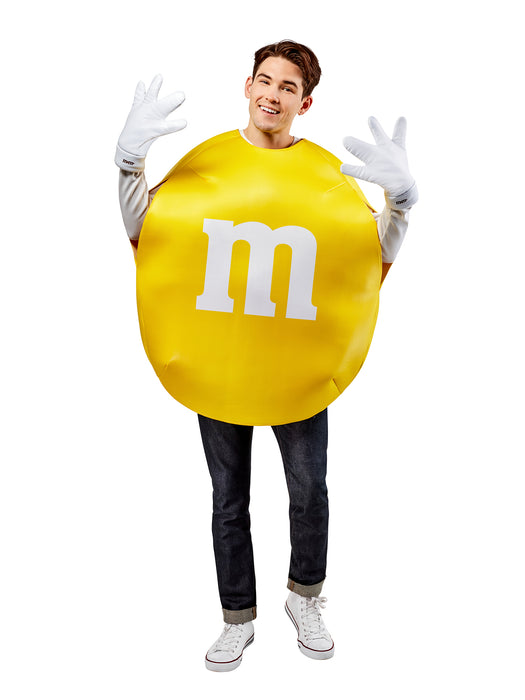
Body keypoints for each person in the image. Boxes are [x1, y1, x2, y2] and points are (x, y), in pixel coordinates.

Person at [115, 40, 418, 672]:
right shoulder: (209, 163)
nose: (272, 95)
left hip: (296, 367)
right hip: (219, 361)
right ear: (247, 85)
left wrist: (401, 206)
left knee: (309, 493)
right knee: (229, 501)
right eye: (264, 80)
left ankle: (304, 598)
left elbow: (365, 260)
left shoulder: (323, 176)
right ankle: (238, 619)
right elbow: (151, 234)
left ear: (305, 103)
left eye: (287, 87)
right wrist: (128, 166)